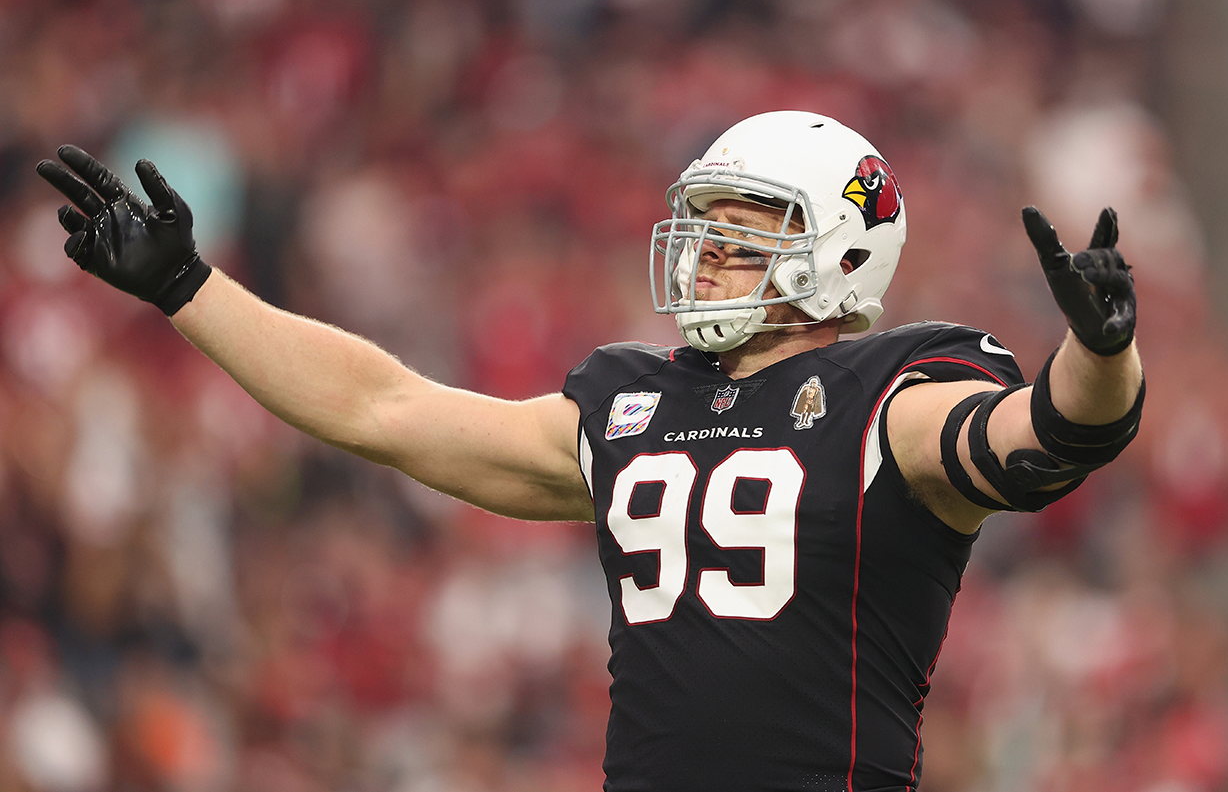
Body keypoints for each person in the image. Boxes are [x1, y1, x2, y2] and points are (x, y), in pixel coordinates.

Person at [37, 110, 1144, 792]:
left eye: (741, 229)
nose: (704, 254)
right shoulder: (629, 403)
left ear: (837, 251)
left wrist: (1101, 352)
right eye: (702, 223)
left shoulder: (885, 392)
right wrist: (191, 291)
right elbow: (385, 408)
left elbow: (1043, 439)